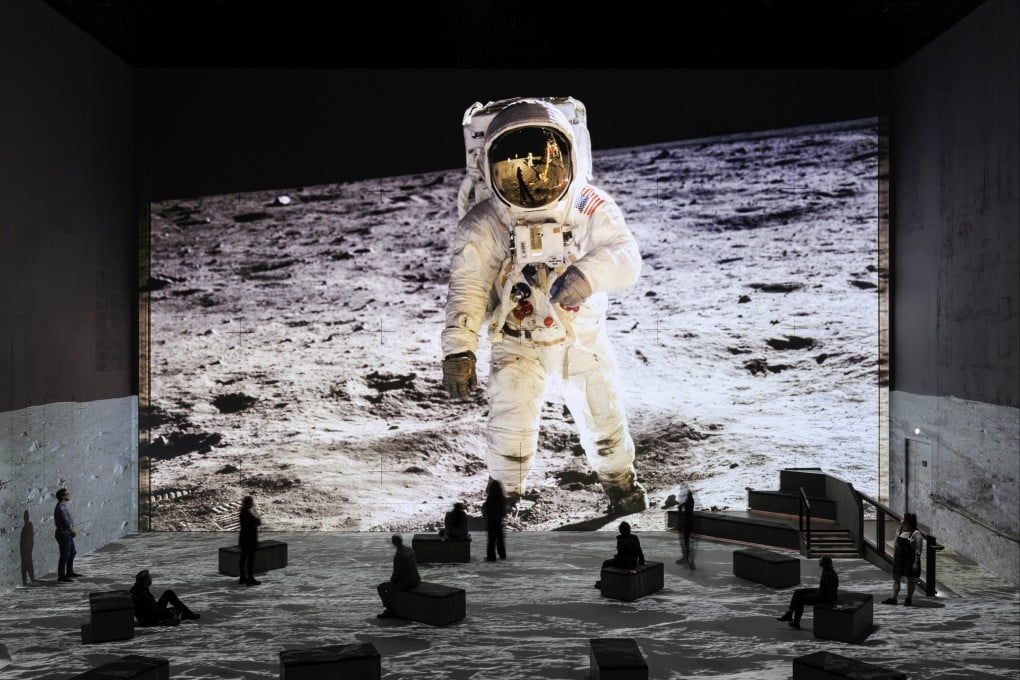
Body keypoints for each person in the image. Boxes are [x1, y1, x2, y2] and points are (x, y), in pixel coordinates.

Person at [442, 96, 647, 519]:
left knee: (601, 412)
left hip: (578, 334)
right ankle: (504, 498)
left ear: (567, 156)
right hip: (515, 339)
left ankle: (621, 484)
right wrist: (459, 349)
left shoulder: (588, 205)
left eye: (545, 164)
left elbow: (626, 256)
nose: (532, 181)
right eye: (512, 169)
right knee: (510, 421)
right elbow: (468, 286)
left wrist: (588, 275)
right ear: (490, 168)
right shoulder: (487, 222)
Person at [776, 556, 838, 629]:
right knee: (798, 592)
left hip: (823, 596)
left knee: (800, 600)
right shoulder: (830, 571)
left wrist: (832, 601)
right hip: (821, 591)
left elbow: (829, 590)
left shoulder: (826, 574)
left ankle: (795, 621)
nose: (819, 562)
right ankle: (789, 613)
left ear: (824, 563)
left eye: (821, 561)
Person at [130, 569, 200, 626]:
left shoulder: (140, 588)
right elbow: (153, 610)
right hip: (150, 619)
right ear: (145, 581)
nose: (151, 579)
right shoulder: (142, 594)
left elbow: (152, 607)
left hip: (150, 614)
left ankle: (187, 613)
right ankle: (187, 614)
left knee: (169, 594)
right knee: (173, 608)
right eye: (149, 577)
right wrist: (170, 614)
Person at [376, 534, 421, 619]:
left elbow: (397, 573)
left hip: (407, 583)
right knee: (391, 587)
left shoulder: (399, 555)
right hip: (416, 580)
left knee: (381, 588)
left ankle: (390, 610)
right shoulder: (409, 550)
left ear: (394, 543)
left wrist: (393, 580)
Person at [883, 512, 923, 606]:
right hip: (899, 559)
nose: (901, 519)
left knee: (910, 579)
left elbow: (918, 550)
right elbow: (896, 544)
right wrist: (894, 556)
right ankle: (893, 598)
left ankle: (908, 598)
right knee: (896, 578)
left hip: (910, 560)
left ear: (907, 521)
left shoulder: (916, 534)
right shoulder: (900, 530)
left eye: (903, 518)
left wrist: (916, 563)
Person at [595, 520, 645, 588]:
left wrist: (616, 557)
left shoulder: (621, 539)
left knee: (606, 563)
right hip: (633, 562)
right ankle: (606, 580)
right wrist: (641, 561)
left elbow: (621, 556)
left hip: (627, 564)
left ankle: (603, 581)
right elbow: (639, 550)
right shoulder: (634, 537)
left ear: (621, 531)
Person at [53, 488, 78, 582]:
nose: (69, 495)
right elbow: (66, 522)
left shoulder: (62, 506)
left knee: (72, 552)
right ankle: (61, 576)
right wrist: (73, 531)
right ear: (63, 496)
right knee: (65, 554)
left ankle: (69, 572)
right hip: (64, 534)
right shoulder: (61, 508)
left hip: (67, 534)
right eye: (67, 494)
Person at [238, 495, 262, 586]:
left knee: (243, 558)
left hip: (243, 538)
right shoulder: (248, 513)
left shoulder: (242, 512)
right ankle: (250, 578)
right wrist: (256, 515)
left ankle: (243, 577)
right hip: (250, 539)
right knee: (250, 559)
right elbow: (258, 522)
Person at [482, 479, 508, 561]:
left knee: (491, 540)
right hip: (498, 521)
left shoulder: (490, 498)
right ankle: (502, 554)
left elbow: (486, 510)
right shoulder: (501, 498)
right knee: (500, 539)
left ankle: (491, 557)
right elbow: (503, 511)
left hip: (491, 521)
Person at [676, 489, 695, 568]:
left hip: (686, 524)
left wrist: (680, 508)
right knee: (688, 543)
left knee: (686, 542)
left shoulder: (688, 502)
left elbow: (683, 511)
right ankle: (688, 560)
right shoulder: (690, 500)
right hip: (689, 523)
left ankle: (688, 560)